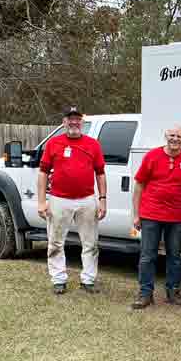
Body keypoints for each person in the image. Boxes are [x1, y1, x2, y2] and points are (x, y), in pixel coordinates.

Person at [131, 125, 181, 309]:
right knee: (147, 256)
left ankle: (173, 292)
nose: (175, 139)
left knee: (175, 256)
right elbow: (139, 186)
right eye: (172, 135)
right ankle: (145, 294)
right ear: (166, 136)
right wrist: (136, 215)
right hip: (151, 214)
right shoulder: (152, 156)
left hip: (176, 216)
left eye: (179, 136)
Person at [37, 106, 106, 295]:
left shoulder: (93, 144)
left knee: (90, 243)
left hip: (87, 200)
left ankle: (88, 280)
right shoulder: (53, 144)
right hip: (59, 200)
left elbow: (100, 173)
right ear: (64, 122)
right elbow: (43, 173)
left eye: (77, 119)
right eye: (70, 118)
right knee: (56, 242)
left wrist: (102, 200)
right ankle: (59, 280)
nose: (74, 122)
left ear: (82, 122)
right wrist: (42, 201)